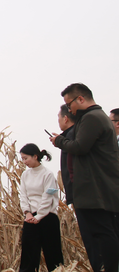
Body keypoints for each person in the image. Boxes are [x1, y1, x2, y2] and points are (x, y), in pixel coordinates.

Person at [50, 83, 119, 272]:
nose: (69, 109)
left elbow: (80, 146)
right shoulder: (96, 117)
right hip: (99, 189)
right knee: (103, 232)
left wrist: (60, 141)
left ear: (80, 99)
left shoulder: (92, 118)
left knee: (102, 233)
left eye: (69, 104)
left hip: (96, 191)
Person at [18, 143, 63, 272]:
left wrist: (39, 216)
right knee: (28, 256)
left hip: (48, 217)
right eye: (22, 158)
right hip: (30, 218)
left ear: (35, 156)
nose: (24, 161)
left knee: (53, 254)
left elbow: (47, 197)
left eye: (26, 158)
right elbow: (23, 195)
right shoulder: (25, 175)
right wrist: (27, 213)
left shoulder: (47, 175)